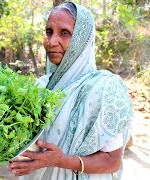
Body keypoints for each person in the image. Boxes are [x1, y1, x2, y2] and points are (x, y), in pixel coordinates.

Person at [9, 2, 133, 179]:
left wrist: (61, 160)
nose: (52, 42)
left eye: (65, 33)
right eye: (49, 32)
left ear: (82, 40)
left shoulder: (103, 89)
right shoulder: (42, 86)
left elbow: (112, 161)